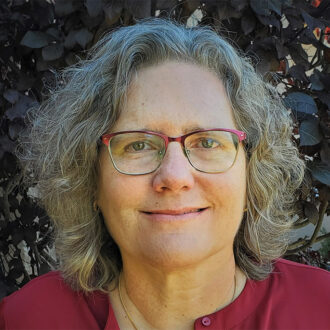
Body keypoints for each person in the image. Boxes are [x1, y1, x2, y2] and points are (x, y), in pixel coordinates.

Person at [1, 17, 329, 330]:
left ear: (252, 174)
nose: (174, 176)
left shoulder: (320, 309)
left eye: (208, 141)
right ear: (91, 180)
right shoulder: (27, 319)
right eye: (138, 145)